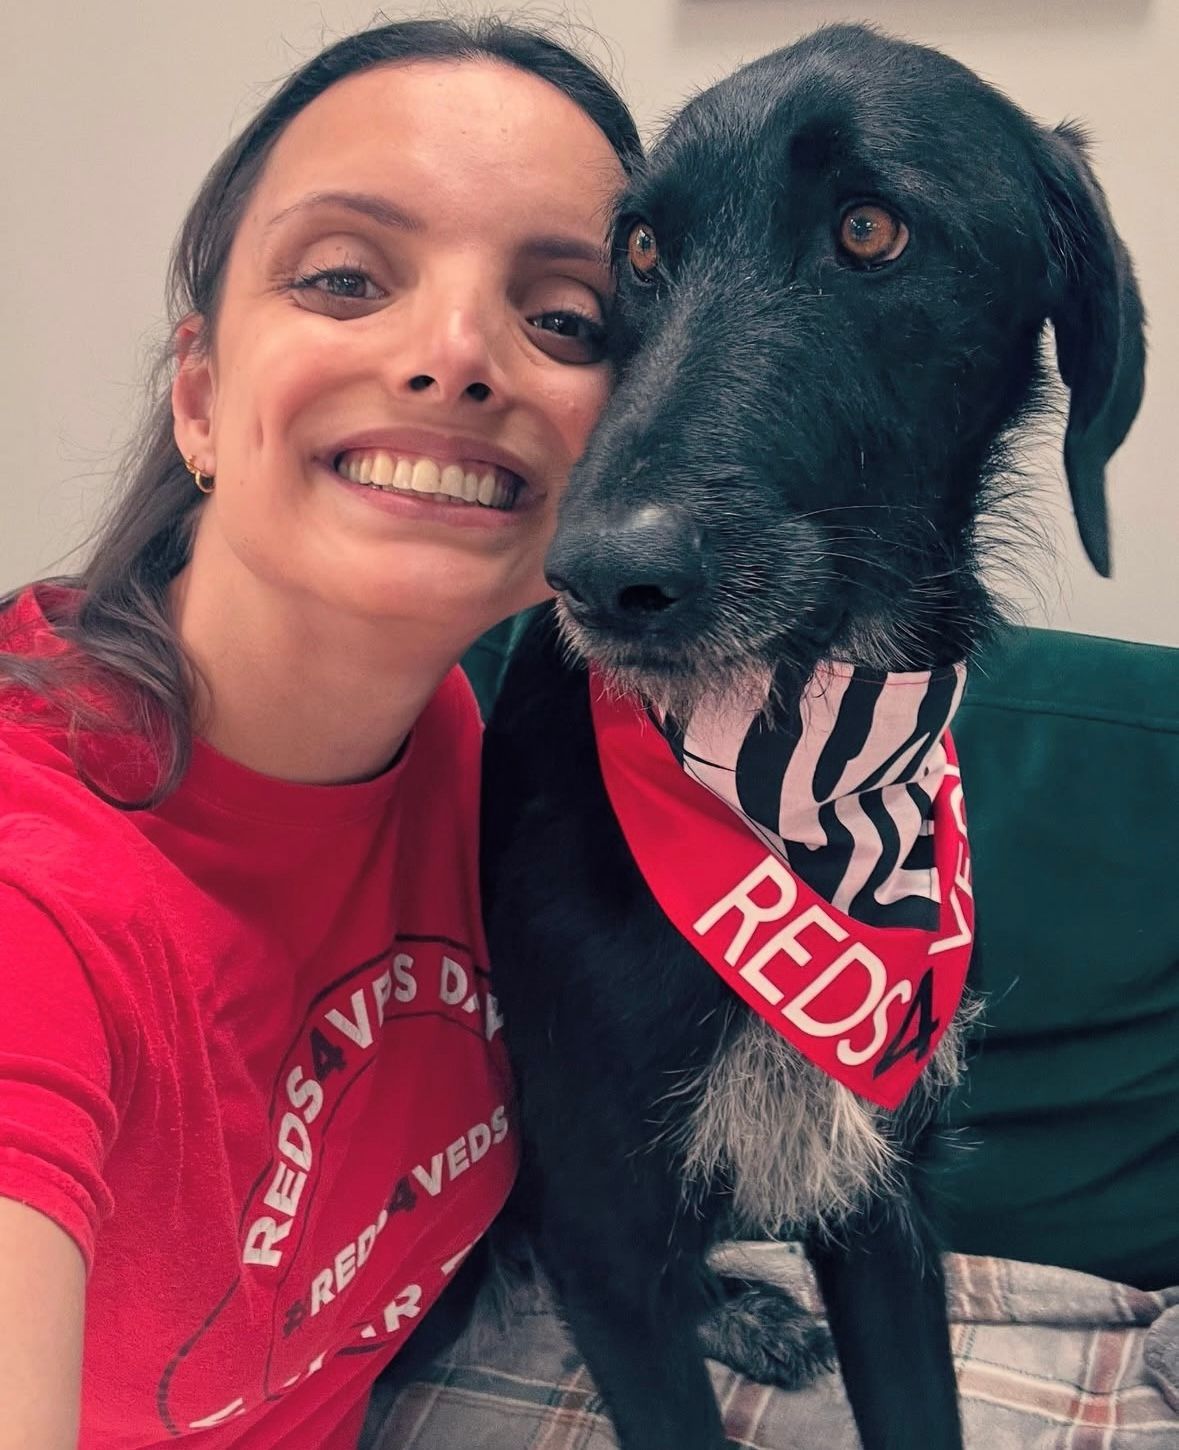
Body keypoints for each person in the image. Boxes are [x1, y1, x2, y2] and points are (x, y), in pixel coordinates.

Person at [0, 17, 640, 1449]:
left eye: (565, 320)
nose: (459, 357)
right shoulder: (37, 895)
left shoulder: (480, 739)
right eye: (346, 278)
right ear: (200, 396)